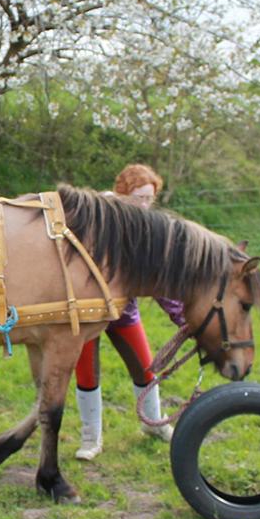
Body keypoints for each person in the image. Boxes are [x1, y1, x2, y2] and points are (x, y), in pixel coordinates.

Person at [74, 163, 187, 460]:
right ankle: (90, 438)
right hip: (89, 310)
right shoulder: (96, 216)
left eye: (149, 199)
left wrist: (182, 317)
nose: (145, 205)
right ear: (123, 193)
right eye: (139, 198)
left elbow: (156, 278)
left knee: (146, 368)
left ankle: (154, 424)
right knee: (86, 372)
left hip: (124, 311)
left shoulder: (146, 229)